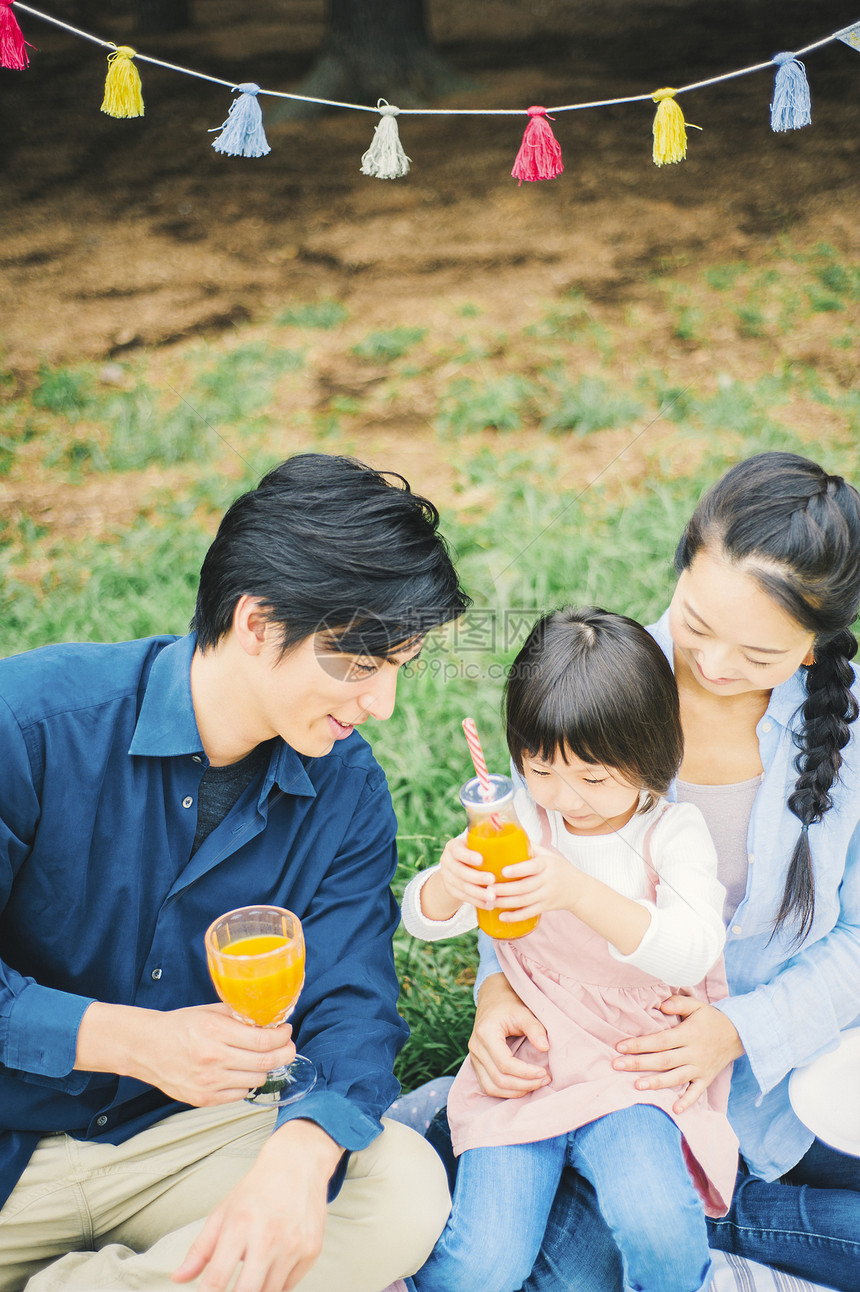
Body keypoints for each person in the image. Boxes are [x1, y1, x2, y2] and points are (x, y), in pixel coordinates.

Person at [0, 453, 469, 1292]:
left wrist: (298, 1154)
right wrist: (125, 1038)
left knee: (398, 1187)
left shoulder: (348, 790)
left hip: (187, 1140)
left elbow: (353, 1006)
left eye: (399, 668)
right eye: (361, 664)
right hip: (11, 1139)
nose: (382, 704)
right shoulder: (31, 726)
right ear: (257, 624)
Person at [464, 452, 860, 1292]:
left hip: (784, 1085)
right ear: (679, 568)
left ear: (817, 643)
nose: (713, 667)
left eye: (759, 654)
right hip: (606, 1069)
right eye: (696, 623)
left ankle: (683, 1225)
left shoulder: (848, 731)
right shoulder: (593, 688)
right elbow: (518, 873)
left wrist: (739, 1030)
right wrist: (496, 992)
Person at [402, 606, 738, 1292]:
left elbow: (692, 952)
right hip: (532, 1060)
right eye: (542, 769)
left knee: (660, 1225)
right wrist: (447, 882)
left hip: (630, 1069)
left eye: (595, 777)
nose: (568, 799)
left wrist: (578, 892)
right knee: (479, 1269)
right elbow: (425, 923)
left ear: (653, 754)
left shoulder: (673, 834)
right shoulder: (519, 819)